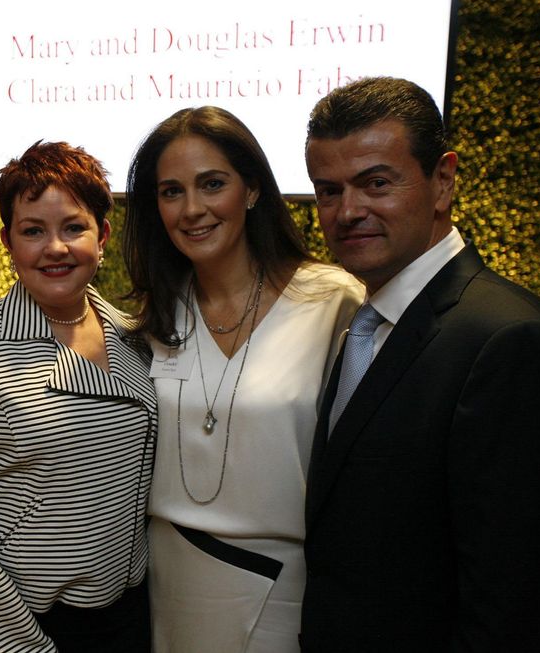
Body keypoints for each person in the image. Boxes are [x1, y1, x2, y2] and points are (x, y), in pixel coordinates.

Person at [301, 76, 540, 651]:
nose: (347, 211)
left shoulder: (509, 340)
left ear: (443, 181)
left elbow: (519, 602)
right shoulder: (367, 322)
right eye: (328, 190)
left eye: (376, 183)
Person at [122, 106, 363, 651]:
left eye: (212, 184)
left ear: (252, 189)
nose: (192, 209)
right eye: (171, 191)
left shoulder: (333, 300)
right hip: (169, 580)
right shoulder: (157, 314)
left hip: (287, 582)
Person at [0, 141, 157, 653]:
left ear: (102, 235)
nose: (55, 248)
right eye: (33, 231)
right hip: (27, 624)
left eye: (73, 228)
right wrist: (19, 644)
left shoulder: (134, 335)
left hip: (131, 616)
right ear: (7, 241)